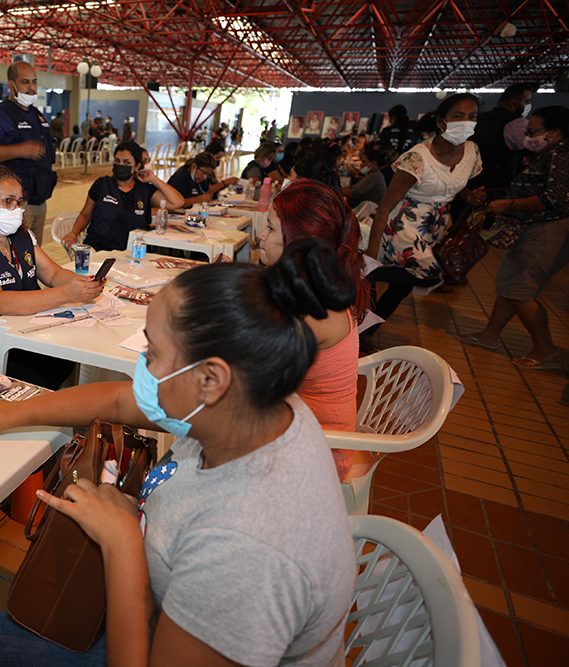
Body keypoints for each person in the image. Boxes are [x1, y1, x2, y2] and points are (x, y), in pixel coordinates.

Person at [0, 239, 356, 667]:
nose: (142, 362)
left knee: (2, 642)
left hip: (159, 622)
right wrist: (12, 412)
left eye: (154, 352)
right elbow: (118, 401)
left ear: (211, 379)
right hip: (168, 598)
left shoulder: (248, 545)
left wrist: (122, 541)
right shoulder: (252, 404)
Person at [0, 165, 104, 388]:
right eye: (8, 201)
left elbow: (53, 273)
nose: (16, 209)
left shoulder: (21, 235)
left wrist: (83, 283)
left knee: (65, 361)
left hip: (23, 334)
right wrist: (66, 294)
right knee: (34, 378)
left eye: (19, 202)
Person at [257, 180, 370, 481]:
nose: (261, 236)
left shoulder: (313, 309)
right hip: (297, 425)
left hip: (317, 452)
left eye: (270, 228)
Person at [364, 94, 487, 342]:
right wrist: (370, 256)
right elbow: (385, 206)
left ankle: (363, 334)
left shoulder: (471, 152)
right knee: (430, 274)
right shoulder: (417, 158)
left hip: (434, 228)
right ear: (441, 122)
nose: (466, 122)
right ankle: (366, 272)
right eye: (458, 116)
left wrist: (470, 196)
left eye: (472, 117)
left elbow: (450, 185)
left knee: (401, 287)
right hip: (403, 226)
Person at [458, 106, 569, 370]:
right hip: (533, 227)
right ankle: (490, 335)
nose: (528, 137)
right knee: (511, 282)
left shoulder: (561, 156)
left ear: (554, 131)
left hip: (547, 229)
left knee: (519, 288)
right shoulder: (548, 154)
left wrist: (508, 205)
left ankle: (545, 349)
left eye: (533, 132)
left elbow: (553, 198)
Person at [0, 61, 57, 243]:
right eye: (25, 82)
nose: (31, 87)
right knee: (14, 251)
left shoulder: (37, 114)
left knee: (33, 252)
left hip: (39, 200)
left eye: (34, 82)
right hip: (14, 204)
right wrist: (20, 150)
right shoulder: (0, 114)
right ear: (11, 85)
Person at [61, 141, 183, 251]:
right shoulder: (102, 184)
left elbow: (177, 203)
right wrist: (74, 232)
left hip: (132, 253)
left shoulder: (144, 190)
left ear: (137, 166)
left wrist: (153, 179)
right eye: (117, 161)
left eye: (127, 162)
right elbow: (85, 214)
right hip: (98, 250)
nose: (120, 165)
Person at [468, 83, 535, 192]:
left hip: (470, 182)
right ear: (514, 103)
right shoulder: (519, 124)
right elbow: (535, 150)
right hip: (499, 188)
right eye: (526, 101)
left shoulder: (479, 119)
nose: (528, 105)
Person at [167, 152, 236, 208]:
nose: (205, 177)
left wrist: (207, 197)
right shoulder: (180, 178)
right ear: (194, 166)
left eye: (207, 175)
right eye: (204, 172)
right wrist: (196, 200)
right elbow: (173, 203)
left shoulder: (199, 177)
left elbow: (209, 191)